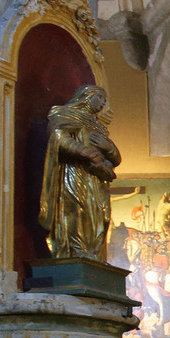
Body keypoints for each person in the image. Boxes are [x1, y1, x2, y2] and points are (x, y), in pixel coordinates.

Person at [38, 85, 120, 260]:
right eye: (100, 98)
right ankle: (76, 252)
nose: (103, 103)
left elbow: (116, 159)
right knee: (78, 210)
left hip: (97, 177)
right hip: (75, 172)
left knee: (102, 216)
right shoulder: (66, 114)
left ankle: (93, 253)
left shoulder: (99, 127)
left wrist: (109, 148)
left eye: (105, 100)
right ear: (86, 96)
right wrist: (83, 150)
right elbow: (57, 136)